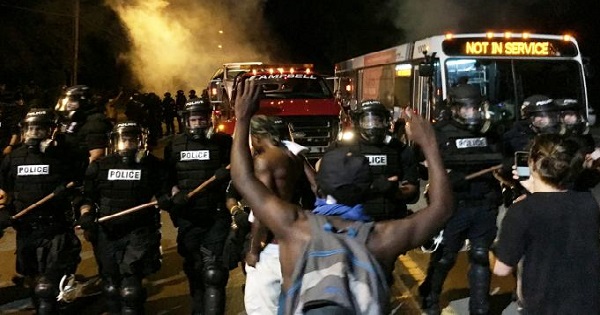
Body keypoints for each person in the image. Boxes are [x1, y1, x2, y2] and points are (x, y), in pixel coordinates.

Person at [231, 78, 453, 314]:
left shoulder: (294, 227)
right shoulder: (381, 238)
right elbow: (442, 207)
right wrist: (429, 145)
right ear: (366, 185)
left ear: (320, 185)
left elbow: (243, 178)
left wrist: (242, 118)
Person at [419, 85, 503, 315]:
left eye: (475, 108)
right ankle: (430, 294)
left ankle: (480, 308)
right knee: (446, 257)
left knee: (480, 257)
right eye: (466, 109)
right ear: (455, 109)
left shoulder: (491, 132)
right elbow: (423, 165)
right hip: (454, 205)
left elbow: (504, 158)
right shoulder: (442, 133)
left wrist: (505, 166)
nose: (471, 113)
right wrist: (443, 178)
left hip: (484, 202)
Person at [493, 134, 600, 314]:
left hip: (544, 305)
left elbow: (502, 269)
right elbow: (554, 204)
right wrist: (534, 187)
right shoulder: (587, 201)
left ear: (533, 164)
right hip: (588, 302)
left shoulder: (521, 210)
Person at [77, 121, 165, 314]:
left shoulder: (153, 166)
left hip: (139, 231)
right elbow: (87, 198)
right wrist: (86, 215)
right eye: (123, 140)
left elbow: (165, 191)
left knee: (130, 289)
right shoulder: (99, 167)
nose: (128, 144)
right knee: (110, 285)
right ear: (115, 142)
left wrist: (168, 199)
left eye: (132, 140)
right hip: (107, 232)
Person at [0, 108, 82, 314]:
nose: (34, 134)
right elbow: (3, 193)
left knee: (47, 287)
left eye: (39, 129)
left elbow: (83, 188)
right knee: (34, 284)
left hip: (57, 228)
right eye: (30, 129)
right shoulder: (13, 159)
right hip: (26, 230)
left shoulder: (66, 157)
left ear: (52, 131)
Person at [158, 97, 232, 315]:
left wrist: (228, 177)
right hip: (188, 217)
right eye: (194, 120)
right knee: (194, 268)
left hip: (216, 214)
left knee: (214, 272)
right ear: (186, 121)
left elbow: (238, 175)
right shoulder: (174, 146)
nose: (198, 123)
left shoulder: (223, 143)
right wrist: (173, 195)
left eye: (202, 119)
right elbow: (166, 179)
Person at [243, 115, 305, 315]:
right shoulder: (292, 156)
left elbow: (263, 209)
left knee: (260, 306)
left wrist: (253, 249)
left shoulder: (263, 161)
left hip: (271, 243)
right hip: (293, 239)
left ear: (257, 137)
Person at [327, 99, 420, 221]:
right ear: (358, 122)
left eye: (378, 121)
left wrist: (395, 192)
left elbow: (412, 188)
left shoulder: (399, 149)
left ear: (386, 122)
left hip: (390, 222)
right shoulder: (340, 149)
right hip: (352, 224)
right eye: (367, 121)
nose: (373, 126)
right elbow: (324, 187)